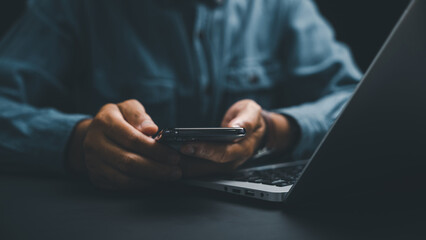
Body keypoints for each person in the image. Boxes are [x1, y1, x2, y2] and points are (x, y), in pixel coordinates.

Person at [0, 0, 361, 190]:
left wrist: (275, 129)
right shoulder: (72, 6)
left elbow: (355, 98)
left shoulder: (282, 5)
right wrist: (76, 143)